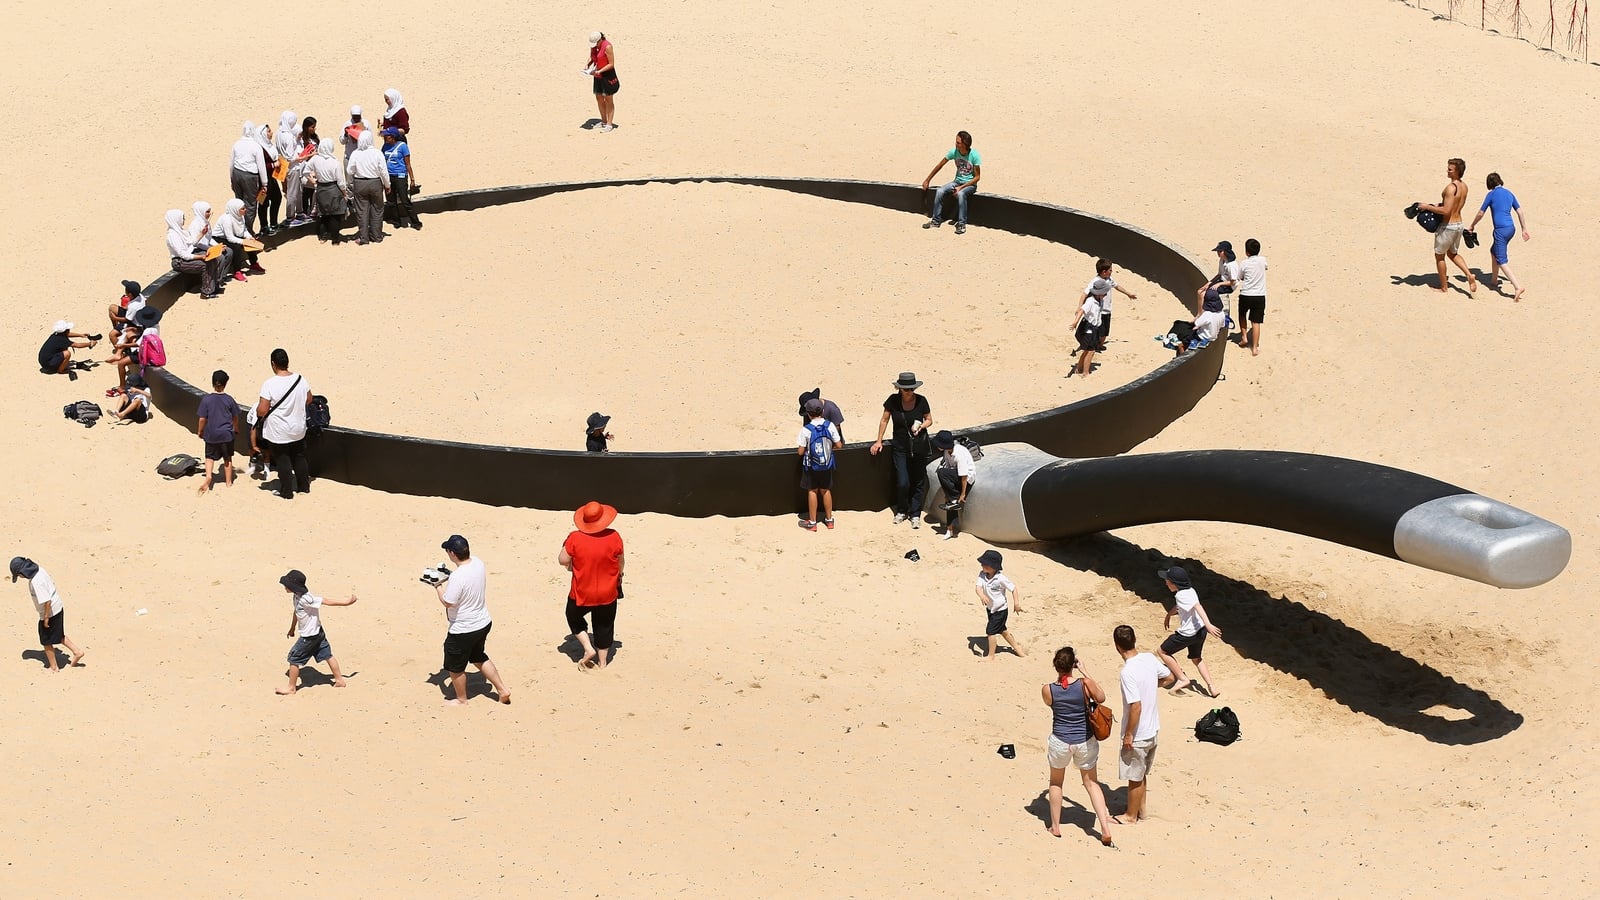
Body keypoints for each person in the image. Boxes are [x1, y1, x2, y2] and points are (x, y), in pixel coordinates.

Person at [1042, 645, 1114, 846]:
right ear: (1073, 664)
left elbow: (1051, 703)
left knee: (1056, 783)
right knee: (1091, 783)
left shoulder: (1048, 689)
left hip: (1060, 740)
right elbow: (1100, 697)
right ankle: (1105, 828)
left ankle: (1055, 826)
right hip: (1084, 740)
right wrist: (1085, 672)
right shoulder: (1084, 684)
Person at [435, 534, 511, 704]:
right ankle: (502, 689)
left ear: (453, 553)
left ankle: (462, 699)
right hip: (482, 622)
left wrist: (437, 586)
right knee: (478, 656)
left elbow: (448, 602)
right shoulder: (477, 562)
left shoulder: (457, 577)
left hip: (463, 629)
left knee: (455, 668)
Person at [1114, 624, 1174, 825]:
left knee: (1134, 775)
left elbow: (1136, 707)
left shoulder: (1127, 672)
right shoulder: (1148, 658)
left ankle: (1130, 816)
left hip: (1139, 733)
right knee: (1141, 773)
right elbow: (1169, 677)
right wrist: (1152, 686)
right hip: (1153, 728)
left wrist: (1129, 734)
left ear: (1117, 646)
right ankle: (1142, 810)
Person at [559, 502, 626, 670]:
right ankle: (603, 663)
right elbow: (620, 562)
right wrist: (620, 575)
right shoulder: (614, 536)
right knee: (604, 624)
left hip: (582, 591)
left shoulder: (575, 537)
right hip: (607, 591)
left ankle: (588, 648)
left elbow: (562, 560)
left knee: (573, 616)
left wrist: (572, 563)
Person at [277, 569, 356, 695]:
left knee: (294, 658)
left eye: (287, 585)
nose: (285, 587)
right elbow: (296, 613)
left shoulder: (306, 598)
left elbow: (326, 601)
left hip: (309, 637)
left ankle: (291, 687)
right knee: (327, 655)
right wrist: (292, 628)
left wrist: (346, 602)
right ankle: (339, 680)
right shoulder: (296, 596)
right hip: (319, 633)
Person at [870, 372, 933, 527]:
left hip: (918, 446)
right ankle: (902, 510)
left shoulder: (922, 401)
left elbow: (930, 420)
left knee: (918, 481)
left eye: (912, 389)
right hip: (900, 446)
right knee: (903, 482)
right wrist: (879, 440)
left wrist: (921, 426)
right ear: (900, 389)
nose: (909, 392)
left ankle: (915, 514)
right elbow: (884, 420)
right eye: (906, 389)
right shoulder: (892, 401)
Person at [1154, 565, 1223, 698]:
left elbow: (1198, 606)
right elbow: (1182, 606)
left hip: (1187, 634)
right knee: (1197, 658)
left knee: (1162, 651)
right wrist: (1169, 614)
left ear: (1174, 583)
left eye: (1167, 580)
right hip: (1200, 631)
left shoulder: (1180, 595)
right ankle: (1211, 687)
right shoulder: (1190, 591)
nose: (1165, 582)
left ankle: (1182, 679)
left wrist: (1209, 624)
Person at [10, 558, 85, 671]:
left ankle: (53, 667)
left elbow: (47, 601)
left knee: (46, 639)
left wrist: (45, 618)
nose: (20, 577)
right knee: (59, 634)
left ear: (22, 572)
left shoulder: (36, 582)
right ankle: (77, 651)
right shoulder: (40, 570)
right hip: (58, 606)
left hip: (50, 612)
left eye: (19, 575)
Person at [256, 348, 312, 500]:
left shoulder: (269, 384)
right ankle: (304, 487)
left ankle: (286, 492)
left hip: (279, 431)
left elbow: (262, 410)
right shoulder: (301, 379)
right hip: (298, 428)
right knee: (299, 457)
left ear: (273, 364)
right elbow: (309, 399)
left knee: (283, 460)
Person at [1415, 157, 1476, 294]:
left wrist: (1427, 207)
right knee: (1453, 253)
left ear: (1457, 171)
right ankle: (1469, 275)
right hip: (1459, 224)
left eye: (1450, 169)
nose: (1447, 171)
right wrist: (1439, 204)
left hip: (1447, 226)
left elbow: (1446, 211)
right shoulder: (1464, 186)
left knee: (1439, 256)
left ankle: (1443, 287)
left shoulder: (1450, 188)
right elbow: (1453, 205)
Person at [1469, 172, 1531, 301]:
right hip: (1511, 229)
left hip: (1500, 231)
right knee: (1494, 251)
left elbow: (1481, 212)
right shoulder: (1509, 193)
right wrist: (1524, 229)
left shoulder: (1491, 195)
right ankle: (1494, 280)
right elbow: (1519, 211)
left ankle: (1517, 286)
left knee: (1501, 260)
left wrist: (1472, 225)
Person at [920, 130, 981, 234]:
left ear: (965, 144)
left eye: (958, 142)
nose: (955, 144)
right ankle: (936, 221)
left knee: (961, 194)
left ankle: (961, 224)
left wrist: (961, 188)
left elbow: (977, 177)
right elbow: (940, 165)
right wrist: (927, 179)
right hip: (957, 181)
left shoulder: (974, 155)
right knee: (940, 191)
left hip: (970, 185)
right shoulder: (954, 152)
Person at [797, 399, 842, 531]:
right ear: (822, 411)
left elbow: (800, 452)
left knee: (812, 491)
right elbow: (839, 445)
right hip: (826, 464)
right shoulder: (830, 426)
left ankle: (812, 522)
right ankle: (829, 520)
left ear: (808, 414)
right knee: (826, 490)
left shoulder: (806, 430)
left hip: (811, 466)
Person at [196, 369, 242, 494]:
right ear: (225, 384)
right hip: (226, 434)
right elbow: (235, 417)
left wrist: (200, 431)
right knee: (227, 459)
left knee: (209, 457)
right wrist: (236, 428)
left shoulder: (206, 399)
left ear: (212, 384)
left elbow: (202, 418)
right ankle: (228, 483)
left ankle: (209, 476)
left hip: (211, 434)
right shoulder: (229, 399)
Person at [974, 550, 1024, 659]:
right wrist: (981, 595)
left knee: (990, 632)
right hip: (990, 609)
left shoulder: (1000, 578)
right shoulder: (982, 574)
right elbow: (978, 587)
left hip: (1001, 610)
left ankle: (991, 655)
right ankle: (1017, 647)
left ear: (993, 566)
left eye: (985, 564)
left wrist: (1016, 603)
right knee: (1002, 630)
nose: (982, 565)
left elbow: (1013, 588)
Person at [166, 208, 221, 299]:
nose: (183, 220)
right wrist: (200, 257)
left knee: (213, 259)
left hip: (187, 257)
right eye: (182, 218)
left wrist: (202, 233)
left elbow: (191, 242)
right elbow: (183, 254)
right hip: (180, 261)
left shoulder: (181, 232)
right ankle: (205, 292)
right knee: (205, 265)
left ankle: (214, 287)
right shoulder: (173, 236)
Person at [1084, 258, 1137, 352]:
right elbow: (1085, 293)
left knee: (1104, 333)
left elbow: (1117, 286)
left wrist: (1128, 293)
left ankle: (1098, 345)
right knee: (1097, 331)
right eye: (1110, 270)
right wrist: (1081, 306)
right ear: (1104, 271)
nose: (1111, 271)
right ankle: (1093, 346)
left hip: (1107, 310)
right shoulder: (1095, 281)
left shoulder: (1109, 279)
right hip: (1098, 311)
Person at [931, 430, 975, 541]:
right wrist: (948, 492)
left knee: (942, 474)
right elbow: (949, 468)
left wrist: (962, 494)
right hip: (955, 476)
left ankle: (954, 499)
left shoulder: (960, 453)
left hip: (966, 478)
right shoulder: (947, 452)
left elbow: (964, 476)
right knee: (950, 500)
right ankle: (949, 530)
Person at [346, 130, 388, 245]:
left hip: (360, 183)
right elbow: (383, 171)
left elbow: (349, 170)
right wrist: (387, 185)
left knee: (362, 211)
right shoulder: (377, 153)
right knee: (377, 210)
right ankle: (376, 236)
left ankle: (364, 238)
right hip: (375, 183)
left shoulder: (355, 153)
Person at [306, 139, 350, 244]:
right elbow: (340, 182)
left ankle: (323, 236)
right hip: (333, 189)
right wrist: (344, 192)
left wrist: (314, 182)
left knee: (323, 213)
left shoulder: (315, 159)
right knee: (335, 214)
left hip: (321, 188)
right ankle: (335, 239)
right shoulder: (335, 162)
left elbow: (305, 171)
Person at [229, 120, 269, 232]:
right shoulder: (256, 146)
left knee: (238, 203)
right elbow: (261, 166)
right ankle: (247, 230)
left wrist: (232, 179)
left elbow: (231, 163)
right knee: (251, 205)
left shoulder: (236, 144)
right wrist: (264, 183)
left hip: (237, 174)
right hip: (250, 177)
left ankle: (237, 229)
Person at [381, 128, 422, 230]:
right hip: (389, 176)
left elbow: (408, 164)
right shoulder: (385, 147)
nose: (385, 138)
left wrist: (412, 179)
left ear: (393, 137)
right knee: (391, 201)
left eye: (388, 136)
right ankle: (396, 221)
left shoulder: (403, 146)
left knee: (405, 200)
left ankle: (415, 222)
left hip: (400, 176)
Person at [215, 198, 265, 281]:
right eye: (242, 209)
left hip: (234, 236)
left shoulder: (240, 216)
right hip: (220, 238)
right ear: (235, 210)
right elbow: (230, 238)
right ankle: (237, 271)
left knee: (250, 243)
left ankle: (254, 263)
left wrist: (249, 238)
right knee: (236, 248)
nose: (245, 210)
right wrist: (243, 241)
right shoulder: (226, 220)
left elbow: (243, 230)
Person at [1234, 238, 1269, 354]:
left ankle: (1244, 337)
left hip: (1246, 294)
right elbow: (1265, 267)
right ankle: (1254, 348)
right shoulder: (1263, 260)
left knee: (1242, 315)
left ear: (1247, 251)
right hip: (1259, 295)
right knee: (1256, 322)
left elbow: (1240, 277)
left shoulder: (1244, 263)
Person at [275, 111, 306, 224]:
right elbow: (290, 156)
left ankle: (300, 212)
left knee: (297, 191)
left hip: (283, 166)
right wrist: (303, 156)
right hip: (292, 168)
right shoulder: (287, 136)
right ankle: (290, 216)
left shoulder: (279, 133)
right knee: (292, 192)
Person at [586, 33, 620, 131]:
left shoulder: (607, 46)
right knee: (599, 98)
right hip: (597, 75)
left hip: (607, 75)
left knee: (608, 100)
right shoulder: (594, 47)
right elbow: (592, 57)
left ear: (600, 40)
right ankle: (604, 121)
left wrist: (599, 71)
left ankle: (609, 124)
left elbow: (611, 64)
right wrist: (587, 65)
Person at [1069, 284, 1102, 377]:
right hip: (1088, 329)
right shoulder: (1090, 301)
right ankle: (1085, 372)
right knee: (1090, 351)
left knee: (1089, 350)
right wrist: (1075, 322)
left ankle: (1079, 368)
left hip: (1095, 328)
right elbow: (1081, 311)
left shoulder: (1100, 300)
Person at [255, 123, 282, 235]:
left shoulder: (269, 145)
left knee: (277, 198)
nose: (271, 133)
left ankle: (274, 223)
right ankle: (264, 226)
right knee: (263, 203)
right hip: (263, 180)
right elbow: (259, 165)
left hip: (272, 178)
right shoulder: (259, 148)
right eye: (269, 131)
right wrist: (273, 165)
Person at [1196, 240, 1240, 307]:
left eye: (1220, 251)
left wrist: (1219, 284)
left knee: (1208, 293)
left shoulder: (1231, 265)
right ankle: (1200, 314)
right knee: (1200, 291)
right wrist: (1208, 284)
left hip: (1229, 286)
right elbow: (1219, 274)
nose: (1218, 253)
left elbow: (1233, 282)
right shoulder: (1222, 260)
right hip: (1222, 281)